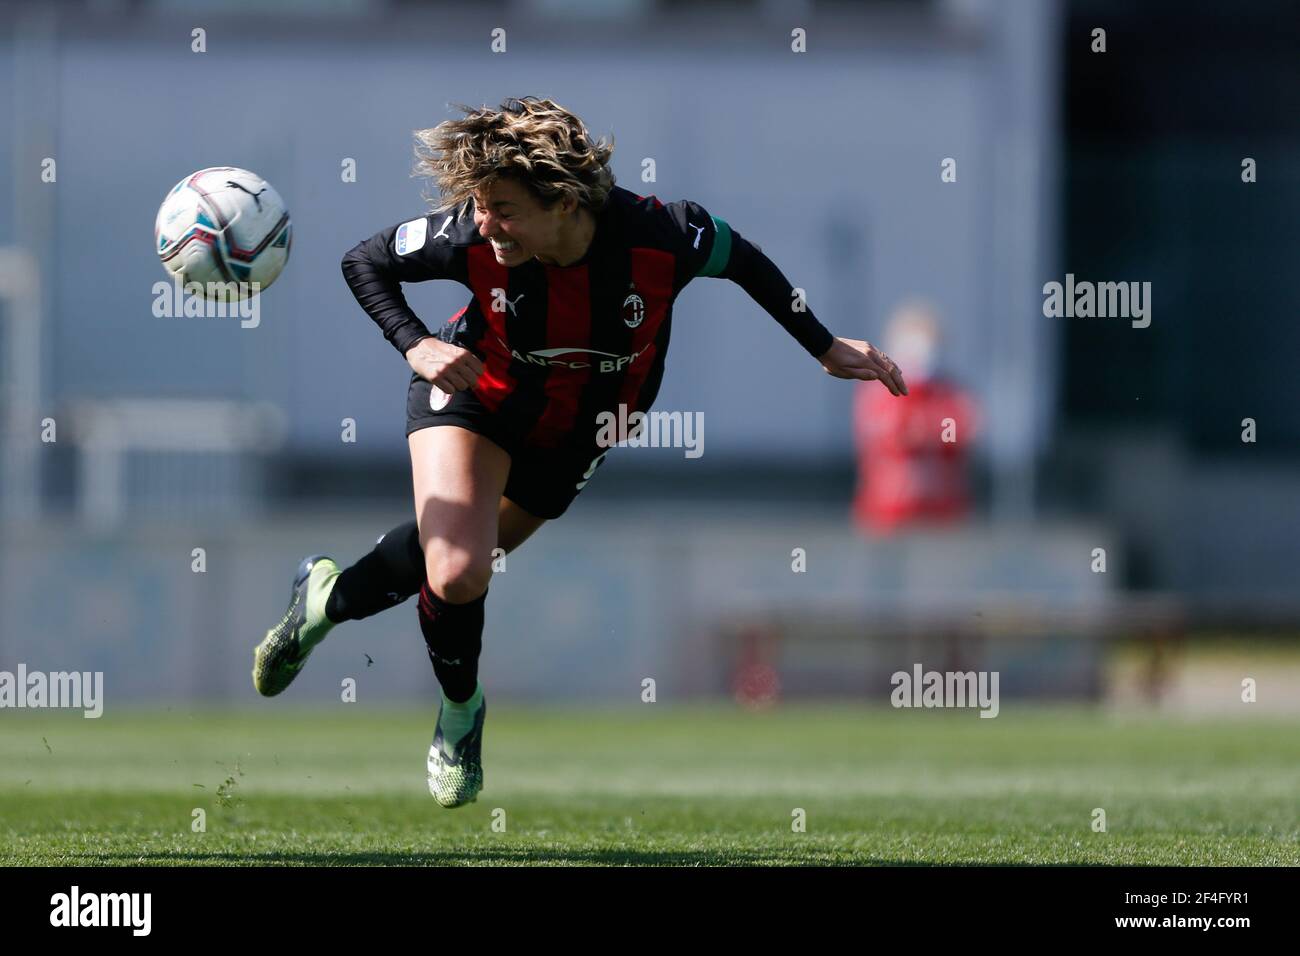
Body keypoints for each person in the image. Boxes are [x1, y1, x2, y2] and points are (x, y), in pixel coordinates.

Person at [252, 96, 907, 809]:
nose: (483, 223)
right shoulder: (468, 239)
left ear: (563, 202)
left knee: (463, 556)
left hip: (586, 426)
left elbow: (743, 260)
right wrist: (417, 342)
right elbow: (365, 259)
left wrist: (826, 344)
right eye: (478, 205)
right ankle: (462, 716)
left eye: (502, 208)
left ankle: (325, 599)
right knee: (460, 568)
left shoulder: (664, 234)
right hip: (475, 393)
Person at [852, 301, 977, 534]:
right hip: (887, 517)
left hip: (943, 517)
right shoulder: (877, 393)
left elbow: (961, 436)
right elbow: (890, 437)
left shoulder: (951, 395)